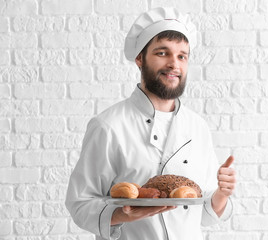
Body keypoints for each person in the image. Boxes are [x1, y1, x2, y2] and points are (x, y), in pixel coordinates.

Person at [65, 7, 236, 240]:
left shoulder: (198, 127)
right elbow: (80, 204)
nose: (174, 64)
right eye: (162, 53)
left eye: (181, 56)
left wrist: (221, 195)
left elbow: (203, 214)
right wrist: (123, 215)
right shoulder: (108, 125)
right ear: (139, 58)